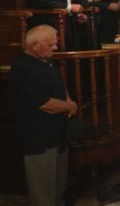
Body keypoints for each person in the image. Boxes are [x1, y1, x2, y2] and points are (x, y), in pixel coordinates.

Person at [9, 25, 78, 206]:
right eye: (50, 45)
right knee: (43, 193)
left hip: (57, 135)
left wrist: (68, 101)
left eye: (55, 44)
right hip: (40, 140)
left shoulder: (46, 61)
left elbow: (60, 86)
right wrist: (69, 106)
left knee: (57, 189)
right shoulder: (22, 68)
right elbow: (44, 104)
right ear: (35, 45)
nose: (55, 48)